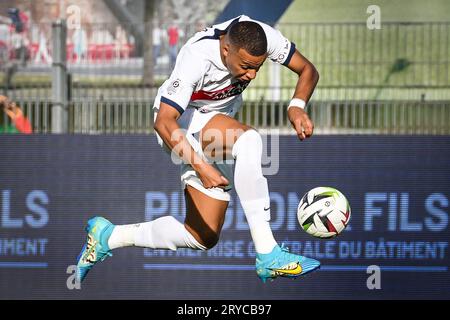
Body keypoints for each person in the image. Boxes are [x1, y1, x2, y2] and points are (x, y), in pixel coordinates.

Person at [76, 15, 320, 283]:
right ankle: (268, 254)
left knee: (202, 236)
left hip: (216, 127)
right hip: (180, 128)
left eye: (257, 68)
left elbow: (308, 70)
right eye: (246, 66)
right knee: (250, 141)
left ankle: (109, 236)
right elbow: (163, 122)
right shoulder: (196, 57)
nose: (251, 74)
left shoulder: (262, 36)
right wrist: (201, 168)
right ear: (226, 49)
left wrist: (296, 105)